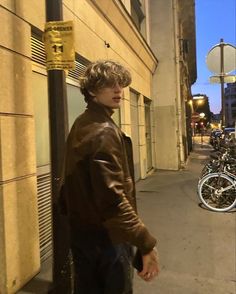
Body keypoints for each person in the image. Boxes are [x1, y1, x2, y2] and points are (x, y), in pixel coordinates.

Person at [60, 60, 159, 293]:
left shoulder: (83, 123)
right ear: (92, 90)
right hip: (107, 240)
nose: (118, 90)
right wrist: (146, 244)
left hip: (84, 235)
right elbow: (112, 199)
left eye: (120, 84)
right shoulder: (103, 131)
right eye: (109, 84)